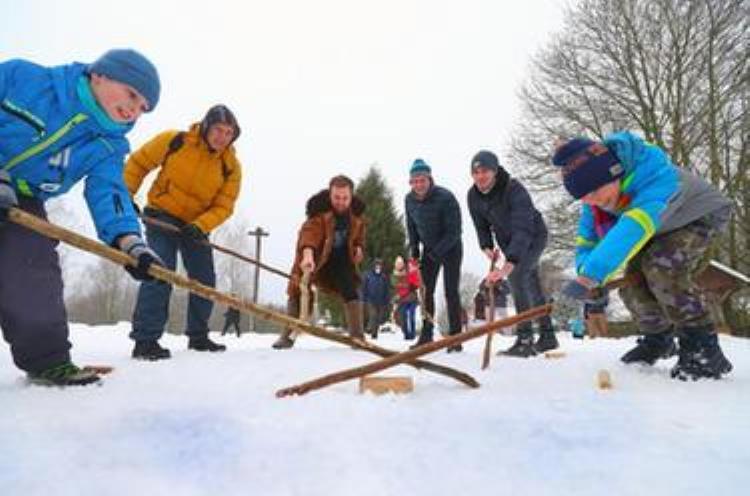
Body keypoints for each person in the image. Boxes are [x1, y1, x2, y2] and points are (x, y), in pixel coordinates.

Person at [0, 49, 164, 385]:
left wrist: (129, 243)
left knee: (34, 268)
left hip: (22, 201)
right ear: (99, 74)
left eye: (142, 107)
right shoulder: (24, 78)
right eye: (132, 94)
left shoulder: (108, 145)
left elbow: (110, 193)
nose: (134, 109)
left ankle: (48, 359)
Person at [551, 131, 733, 380]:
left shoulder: (656, 177)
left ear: (613, 173)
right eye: (583, 197)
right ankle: (659, 338)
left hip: (700, 216)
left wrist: (593, 275)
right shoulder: (593, 202)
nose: (590, 201)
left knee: (661, 268)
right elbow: (588, 242)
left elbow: (632, 229)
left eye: (593, 192)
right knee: (633, 280)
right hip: (663, 226)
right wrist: (587, 275)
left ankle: (702, 348)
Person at [125, 104, 242, 360]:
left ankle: (198, 336)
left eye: (228, 132)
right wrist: (126, 196)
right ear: (206, 126)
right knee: (160, 272)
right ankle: (145, 340)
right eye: (218, 130)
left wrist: (201, 226)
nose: (222, 137)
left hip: (194, 227)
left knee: (204, 279)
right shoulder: (175, 141)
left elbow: (225, 205)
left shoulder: (231, 166)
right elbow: (138, 163)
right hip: (161, 216)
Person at [467, 150, 557, 357]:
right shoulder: (473, 196)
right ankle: (548, 335)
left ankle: (525, 338)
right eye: (476, 172)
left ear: (495, 171)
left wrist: (510, 262)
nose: (480, 176)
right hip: (507, 242)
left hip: (533, 236)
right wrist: (486, 246)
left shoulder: (514, 190)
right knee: (531, 283)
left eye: (485, 171)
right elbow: (481, 225)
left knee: (517, 276)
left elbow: (523, 229)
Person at [272, 175, 366, 349]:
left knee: (351, 290)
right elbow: (309, 235)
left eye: (345, 198)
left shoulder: (356, 217)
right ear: (330, 195)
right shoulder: (319, 214)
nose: (341, 202)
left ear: (351, 196)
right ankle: (287, 336)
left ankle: (357, 337)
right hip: (315, 258)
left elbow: (359, 238)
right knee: (298, 290)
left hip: (340, 262)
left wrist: (359, 248)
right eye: (336, 197)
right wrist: (307, 255)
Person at [404, 159, 463, 352]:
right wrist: (414, 252)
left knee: (450, 291)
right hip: (429, 250)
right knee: (425, 291)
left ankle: (455, 337)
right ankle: (427, 334)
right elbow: (411, 227)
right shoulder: (409, 200)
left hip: (451, 248)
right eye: (415, 181)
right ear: (411, 183)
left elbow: (455, 231)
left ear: (430, 179)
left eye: (422, 180)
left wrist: (436, 254)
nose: (419, 185)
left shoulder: (445, 197)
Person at [391, 256, 419, 340]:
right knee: (403, 317)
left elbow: (415, 282)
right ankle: (406, 334)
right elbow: (396, 288)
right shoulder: (395, 275)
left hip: (412, 298)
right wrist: (397, 296)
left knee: (411, 316)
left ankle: (412, 334)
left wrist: (413, 286)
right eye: (398, 264)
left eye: (401, 264)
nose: (399, 266)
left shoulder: (409, 271)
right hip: (403, 300)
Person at [361, 258, 390, 339]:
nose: (378, 267)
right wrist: (363, 298)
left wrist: (387, 300)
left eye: (379, 265)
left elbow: (386, 289)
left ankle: (374, 333)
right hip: (370, 300)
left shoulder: (383, 277)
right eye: (376, 265)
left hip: (381, 301)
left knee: (378, 318)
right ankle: (369, 328)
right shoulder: (368, 275)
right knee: (373, 315)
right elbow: (364, 287)